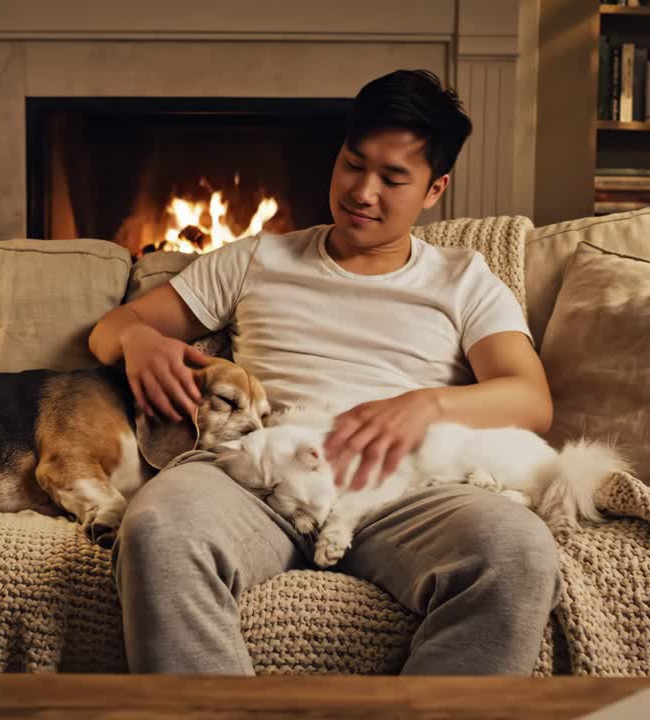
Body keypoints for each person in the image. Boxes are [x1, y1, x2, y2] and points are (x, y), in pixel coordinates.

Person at [86, 69, 559, 675]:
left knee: (516, 551)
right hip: (255, 476)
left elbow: (530, 398)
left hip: (402, 491)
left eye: (393, 179)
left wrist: (428, 405)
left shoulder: (463, 279)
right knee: (157, 528)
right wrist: (139, 342)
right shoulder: (259, 257)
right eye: (352, 165)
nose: (363, 192)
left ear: (434, 189)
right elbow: (108, 330)